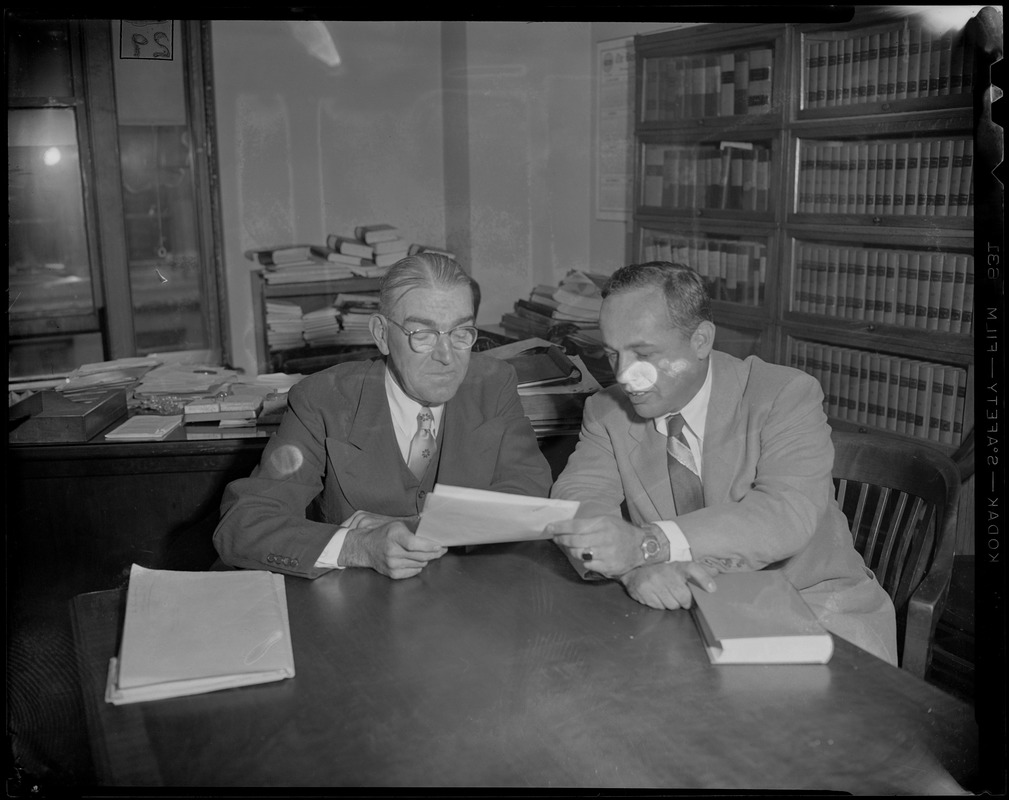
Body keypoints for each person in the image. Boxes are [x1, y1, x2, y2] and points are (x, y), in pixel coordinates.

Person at [546, 261, 898, 665]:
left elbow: (782, 516)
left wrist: (647, 545)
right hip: (684, 615)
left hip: (811, 613)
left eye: (643, 353)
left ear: (700, 340)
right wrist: (629, 568)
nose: (625, 376)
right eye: (613, 354)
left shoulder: (784, 395)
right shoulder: (606, 411)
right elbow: (577, 500)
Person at [214, 253, 552, 580]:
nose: (447, 357)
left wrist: (415, 526)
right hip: (355, 613)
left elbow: (530, 494)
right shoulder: (324, 400)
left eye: (461, 333)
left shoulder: (493, 384)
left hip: (467, 605)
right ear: (381, 335)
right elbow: (243, 523)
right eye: (423, 335)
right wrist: (358, 547)